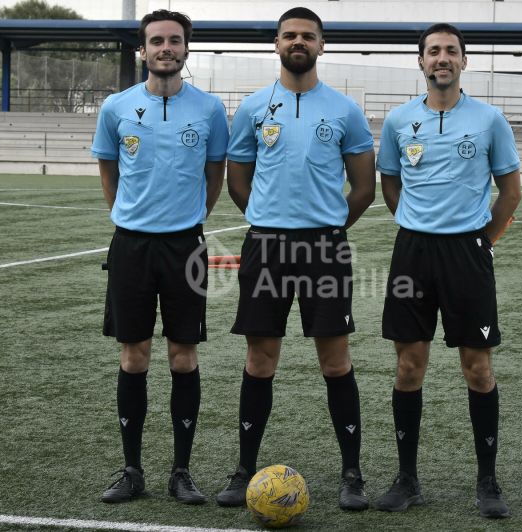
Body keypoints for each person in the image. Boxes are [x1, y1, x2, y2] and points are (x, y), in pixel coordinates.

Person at [215, 6, 376, 511]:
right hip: (265, 246)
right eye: (290, 35)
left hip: (325, 248)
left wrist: (324, 227)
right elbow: (236, 180)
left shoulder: (345, 110)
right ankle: (244, 468)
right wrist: (270, 219)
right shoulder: (253, 108)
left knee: (335, 359)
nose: (298, 42)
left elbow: (365, 187)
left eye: (308, 36)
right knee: (260, 358)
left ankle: (352, 473)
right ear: (277, 44)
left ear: (322, 45)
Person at [374, 23, 521, 518]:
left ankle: (488, 482)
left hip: (467, 255)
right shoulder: (397, 121)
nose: (442, 58)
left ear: (464, 61)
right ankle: (407, 479)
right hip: (413, 252)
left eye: (451, 51)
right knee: (408, 366)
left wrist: (481, 242)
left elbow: (511, 192)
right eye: (433, 51)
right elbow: (389, 184)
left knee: (477, 369)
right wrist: (418, 227)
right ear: (420, 61)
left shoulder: (489, 119)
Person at [91, 9, 228, 505]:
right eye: (156, 41)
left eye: (174, 41)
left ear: (186, 50)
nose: (165, 48)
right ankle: (132, 469)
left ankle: (182, 470)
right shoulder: (117, 107)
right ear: (142, 51)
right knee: (134, 355)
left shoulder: (210, 110)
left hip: (184, 245)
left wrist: (190, 218)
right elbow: (108, 168)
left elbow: (215, 174)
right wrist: (126, 215)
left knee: (183, 355)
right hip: (131, 246)